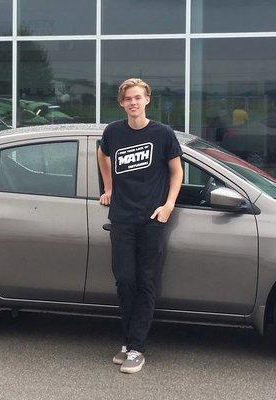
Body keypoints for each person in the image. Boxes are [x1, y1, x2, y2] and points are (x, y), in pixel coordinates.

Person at [97, 78, 183, 374]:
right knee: (124, 280)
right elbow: (102, 153)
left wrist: (168, 205)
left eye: (138, 98)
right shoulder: (113, 132)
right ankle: (128, 341)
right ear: (121, 103)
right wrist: (108, 187)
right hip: (121, 219)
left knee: (146, 283)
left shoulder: (162, 134)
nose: (133, 103)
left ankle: (136, 347)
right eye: (128, 99)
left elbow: (177, 171)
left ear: (147, 100)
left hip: (151, 221)